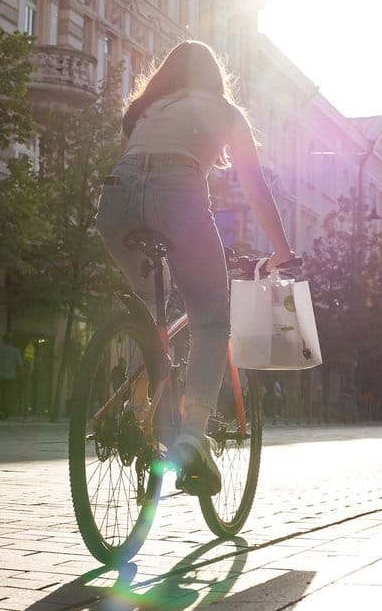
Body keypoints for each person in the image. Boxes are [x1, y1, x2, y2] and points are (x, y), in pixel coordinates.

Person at [96, 40, 295, 497]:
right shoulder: (224, 111)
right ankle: (191, 437)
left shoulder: (144, 110)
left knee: (148, 306)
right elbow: (254, 186)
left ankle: (136, 409)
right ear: (213, 79)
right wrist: (281, 249)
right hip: (178, 198)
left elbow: (133, 162)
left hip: (115, 199)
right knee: (209, 320)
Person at [0, 332, 24, 420]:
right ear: (11, 340)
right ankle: (4, 412)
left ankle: (2, 411)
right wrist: (21, 377)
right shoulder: (16, 351)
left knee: (3, 393)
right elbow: (20, 365)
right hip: (11, 376)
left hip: (0, 376)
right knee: (8, 395)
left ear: (3, 339)